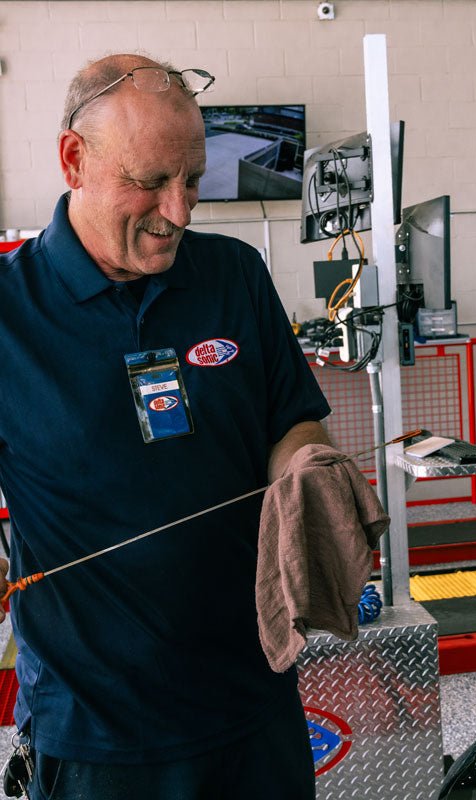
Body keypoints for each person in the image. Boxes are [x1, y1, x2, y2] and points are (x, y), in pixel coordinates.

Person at [0, 53, 335, 798]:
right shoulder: (8, 314)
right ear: (72, 160)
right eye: (150, 182)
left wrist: (312, 470)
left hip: (255, 703)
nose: (180, 211)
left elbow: (293, 423)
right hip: (96, 740)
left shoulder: (235, 276)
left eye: (193, 179)